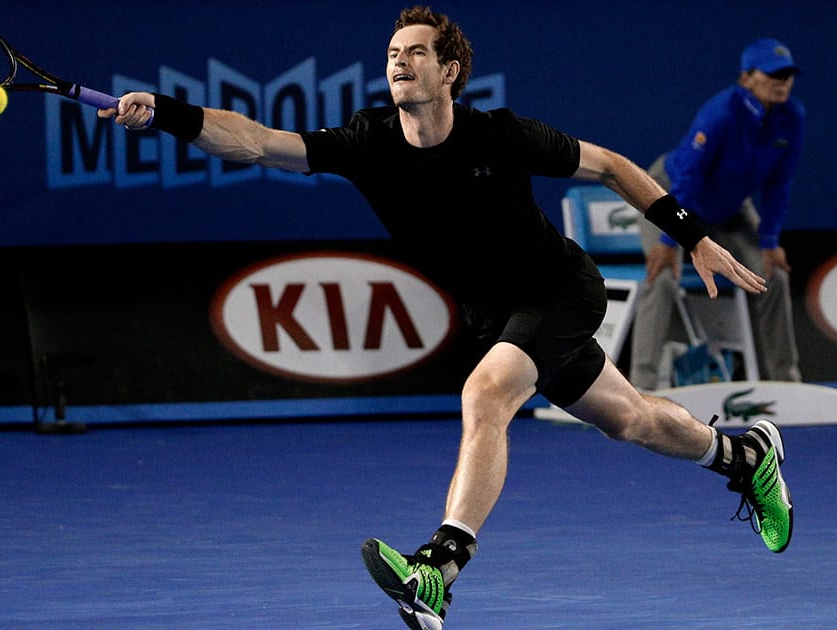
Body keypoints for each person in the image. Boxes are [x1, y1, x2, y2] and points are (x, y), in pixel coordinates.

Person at [101, 8, 792, 629]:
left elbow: (611, 166)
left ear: (450, 70)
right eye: (392, 53)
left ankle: (439, 568)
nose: (398, 61)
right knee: (630, 419)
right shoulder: (367, 140)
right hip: (495, 314)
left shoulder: (501, 135)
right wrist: (165, 113)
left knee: (485, 395)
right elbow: (252, 141)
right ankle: (743, 458)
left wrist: (693, 234)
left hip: (559, 289)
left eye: (414, 52)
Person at [631, 38, 804, 391]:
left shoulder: (792, 117)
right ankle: (642, 388)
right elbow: (689, 178)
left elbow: (779, 184)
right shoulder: (721, 113)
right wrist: (668, 241)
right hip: (671, 195)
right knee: (662, 277)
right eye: (772, 74)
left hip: (730, 210)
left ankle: (786, 385)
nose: (781, 81)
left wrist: (770, 241)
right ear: (746, 79)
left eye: (787, 75)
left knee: (775, 277)